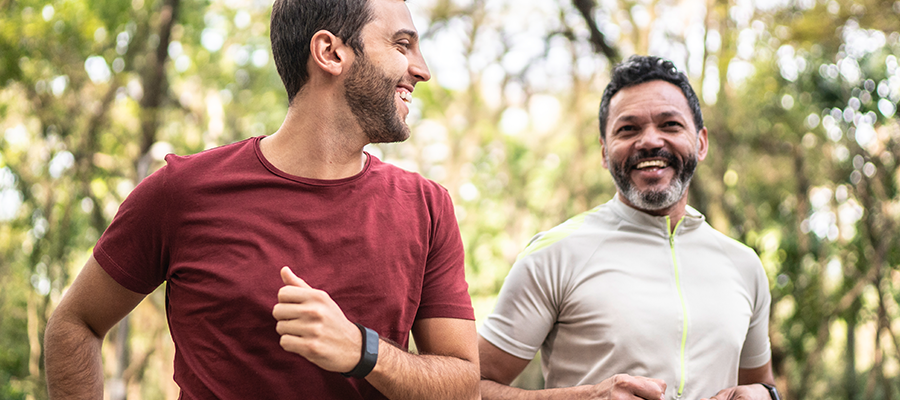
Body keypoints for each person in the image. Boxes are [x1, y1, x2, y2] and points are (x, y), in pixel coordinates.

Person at [43, 0, 480, 399]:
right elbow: (74, 324)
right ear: (330, 52)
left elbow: (464, 385)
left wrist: (362, 351)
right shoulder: (182, 192)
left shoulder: (428, 207)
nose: (421, 69)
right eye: (402, 45)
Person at [477, 55, 779, 400]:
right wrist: (585, 398)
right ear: (605, 153)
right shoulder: (553, 253)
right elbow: (469, 388)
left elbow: (761, 384)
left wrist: (764, 395)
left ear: (701, 142)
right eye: (628, 129)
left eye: (670, 125)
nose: (650, 141)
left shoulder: (744, 264)